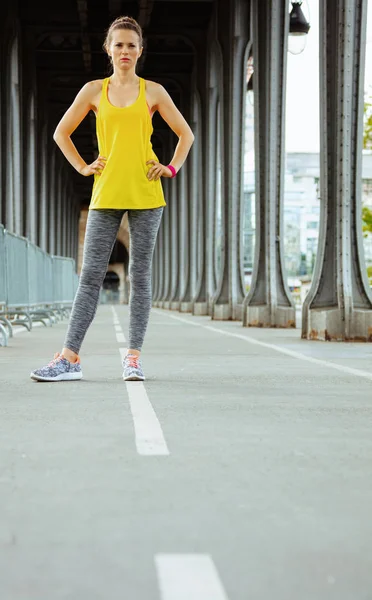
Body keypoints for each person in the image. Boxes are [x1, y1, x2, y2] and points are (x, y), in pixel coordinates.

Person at [30, 15, 194, 383]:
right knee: (90, 276)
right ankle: (69, 358)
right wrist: (84, 167)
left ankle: (133, 358)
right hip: (105, 196)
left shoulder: (154, 92)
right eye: (118, 44)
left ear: (140, 50)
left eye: (131, 45)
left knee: (140, 275)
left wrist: (169, 169)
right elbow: (61, 133)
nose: (125, 51)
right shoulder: (93, 91)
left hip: (147, 195)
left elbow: (186, 135)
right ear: (108, 49)